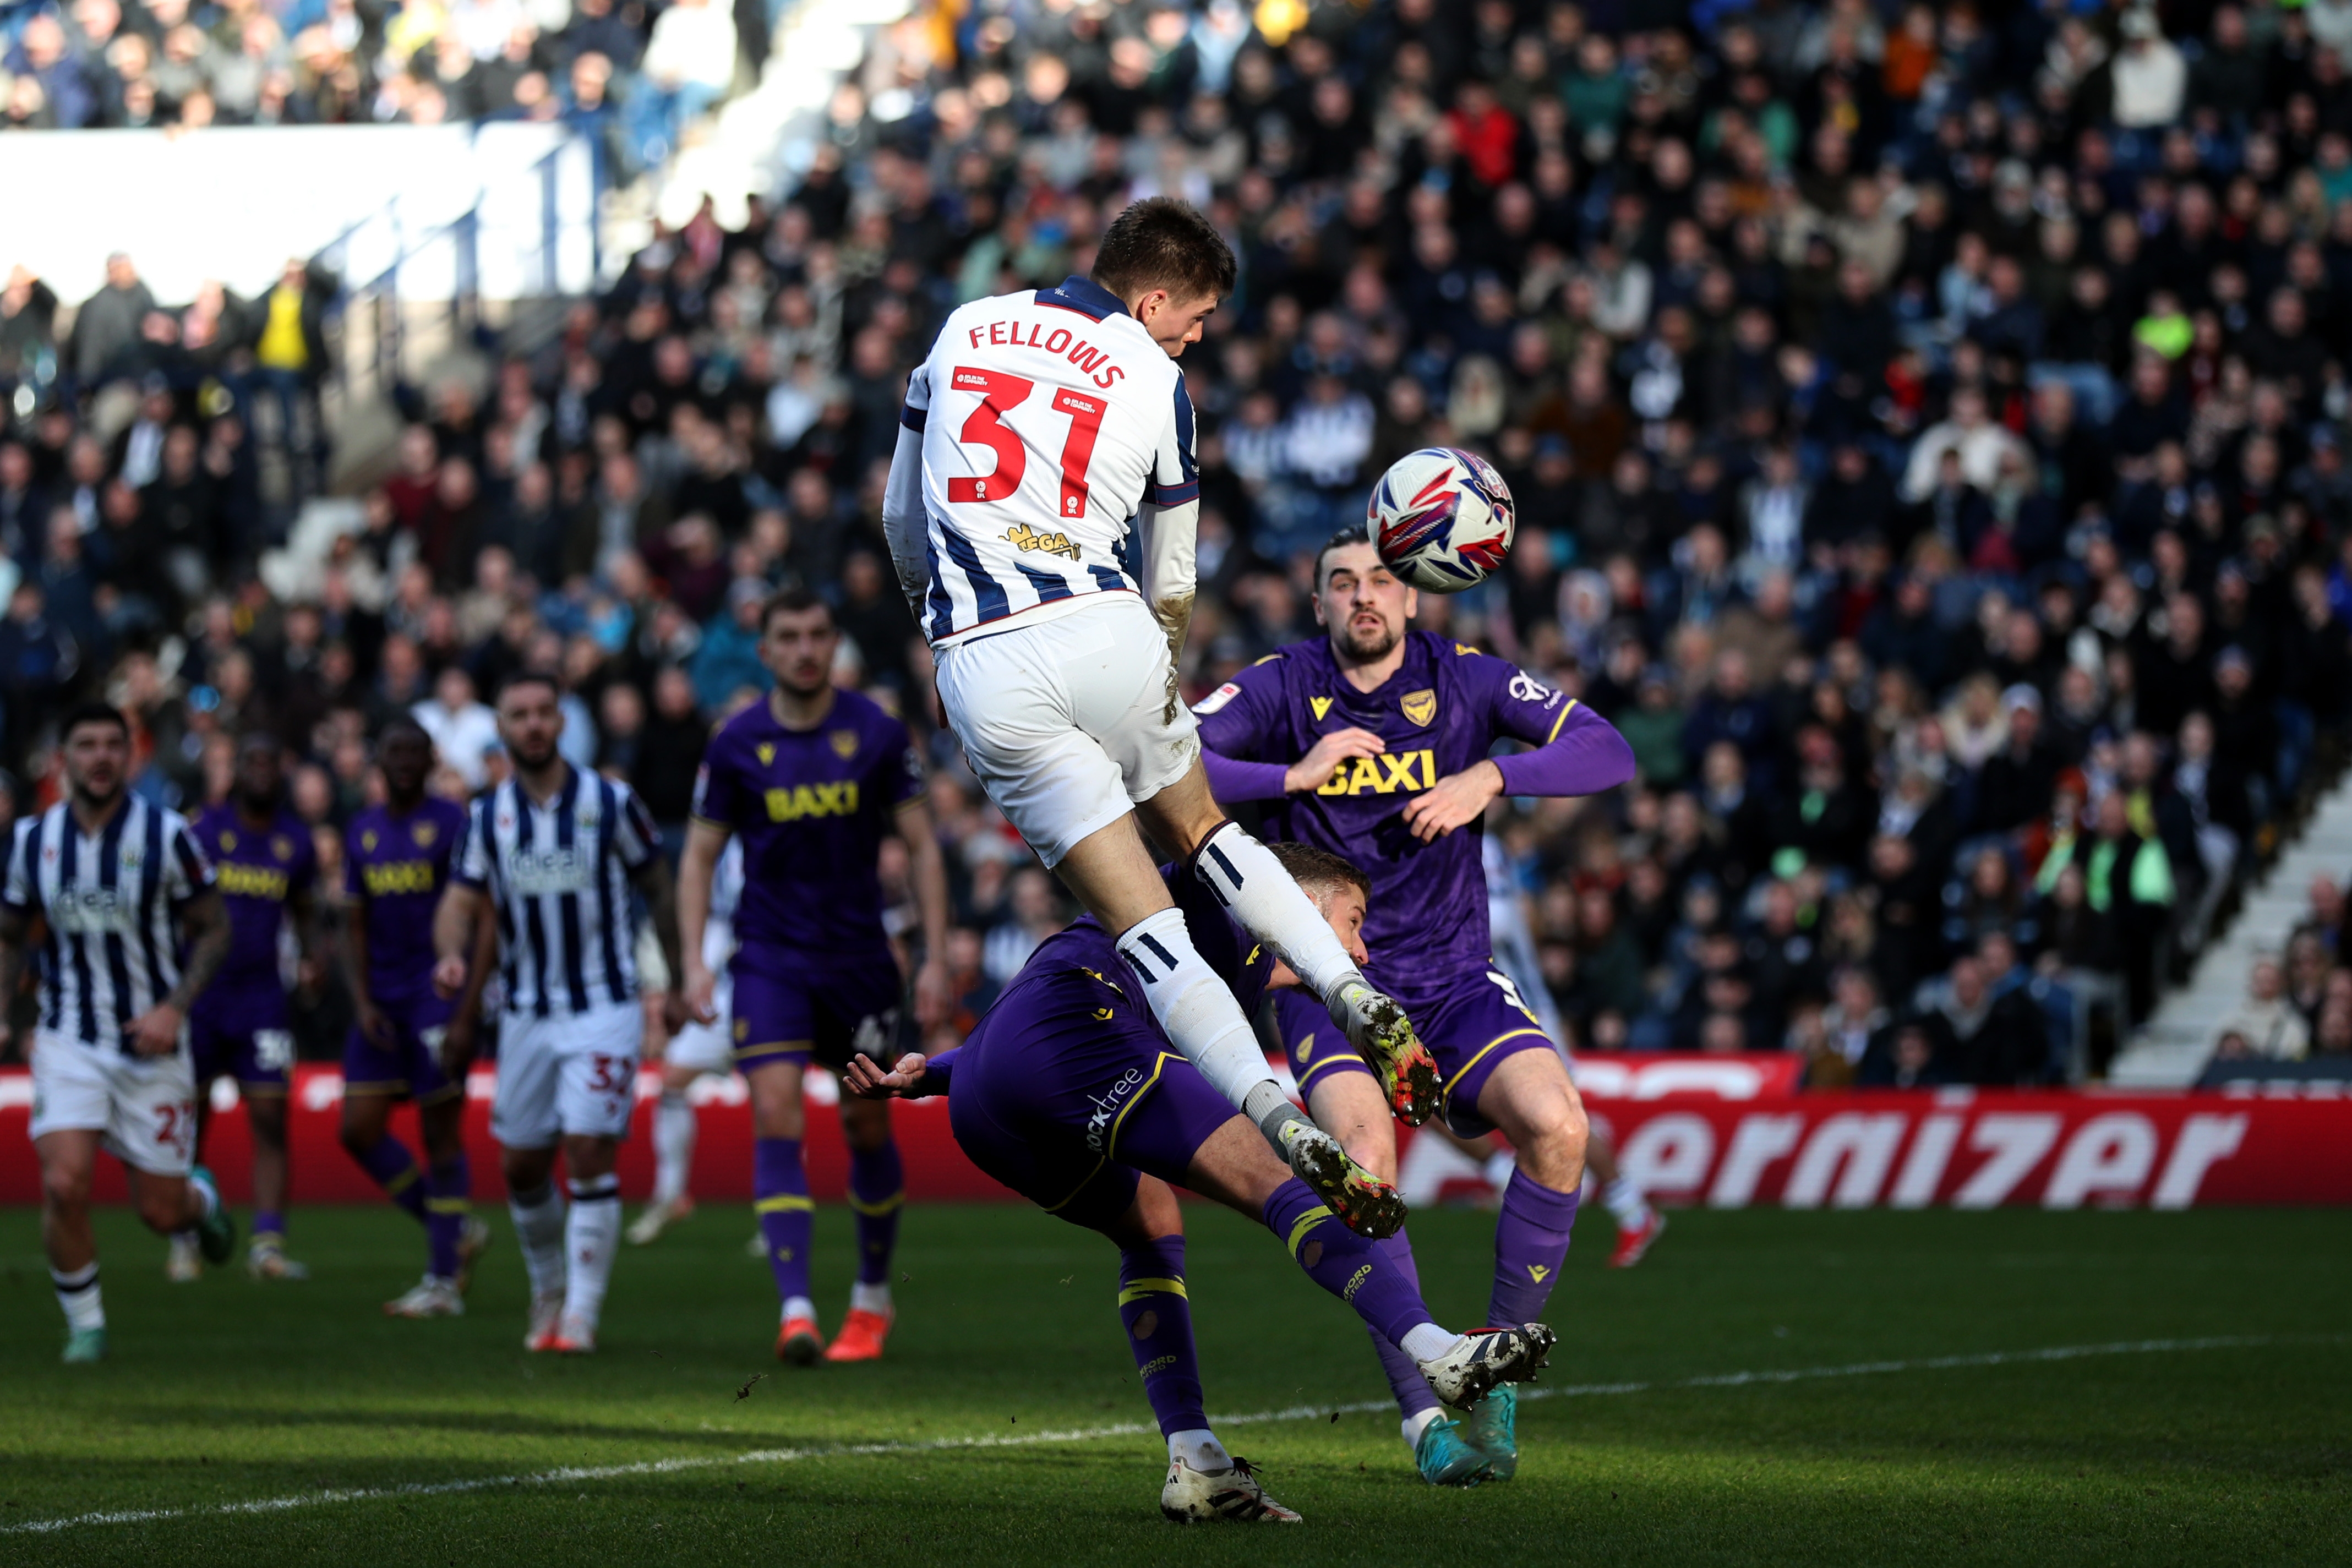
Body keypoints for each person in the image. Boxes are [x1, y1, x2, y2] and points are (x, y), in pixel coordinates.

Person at [880, 196, 1442, 1230]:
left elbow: (899, 517)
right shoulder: (1156, 377)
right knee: (1205, 833)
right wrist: (1152, 674)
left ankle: (1276, 1116)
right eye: (1196, 315)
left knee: (1147, 931)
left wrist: (940, 620)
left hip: (983, 662)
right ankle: (1351, 993)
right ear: (1150, 298)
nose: (1198, 335)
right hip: (1104, 622)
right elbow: (1172, 577)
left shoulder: (960, 327)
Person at [845, 845, 1555, 1522]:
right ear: (1299, 900)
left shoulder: (1230, 974)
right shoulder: (1220, 889)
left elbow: (1018, 1034)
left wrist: (932, 1073)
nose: (1362, 950)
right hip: (1073, 1028)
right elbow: (1185, 822)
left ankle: (1198, 1460)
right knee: (1283, 1178)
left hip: (984, 1095)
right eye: (1354, 921)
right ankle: (1437, 1348)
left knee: (1153, 1224)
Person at [1194, 527, 1638, 1486]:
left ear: (1417, 595)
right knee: (1368, 1171)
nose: (1363, 596)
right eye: (1341, 582)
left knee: (1559, 1127)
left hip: (1453, 978)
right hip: (1332, 983)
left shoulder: (1468, 678)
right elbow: (1169, 762)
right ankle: (1422, 1417)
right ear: (1317, 604)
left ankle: (1497, 1369)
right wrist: (1289, 775)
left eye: (1381, 582)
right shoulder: (1279, 685)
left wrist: (1491, 774)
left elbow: (1606, 748)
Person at [675, 589, 953, 1363]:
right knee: (775, 1115)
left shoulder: (873, 732)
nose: (804, 648)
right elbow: (698, 854)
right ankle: (796, 1309)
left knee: (865, 1123)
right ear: (764, 651)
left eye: (817, 634)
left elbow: (924, 848)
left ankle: (869, 1298)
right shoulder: (736, 742)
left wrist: (932, 955)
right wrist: (692, 960)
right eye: (789, 636)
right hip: (768, 960)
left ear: (835, 644)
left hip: (859, 963)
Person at [432, 673, 682, 1354]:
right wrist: (450, 954)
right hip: (525, 1012)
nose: (535, 724)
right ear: (503, 729)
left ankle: (581, 1315)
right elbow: (459, 900)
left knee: (588, 1150)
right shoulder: (487, 816)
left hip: (604, 1004)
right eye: (520, 714)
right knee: (520, 1165)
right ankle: (547, 1285)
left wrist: (683, 979)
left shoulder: (611, 801)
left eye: (545, 712)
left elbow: (659, 889)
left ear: (561, 722)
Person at [0, 702, 236, 1362]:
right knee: (64, 1184)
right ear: (63, 758)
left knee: (160, 1212)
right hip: (68, 1037)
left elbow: (216, 927)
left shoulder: (168, 835)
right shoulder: (31, 840)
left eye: (113, 744)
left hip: (152, 1044)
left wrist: (174, 1007)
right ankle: (87, 1324)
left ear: (130, 755)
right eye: (86, 744)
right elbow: (10, 936)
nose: (101, 756)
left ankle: (200, 1199)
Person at [339, 716, 493, 1319]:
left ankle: (442, 1281)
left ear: (432, 760)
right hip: (382, 999)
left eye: (414, 752)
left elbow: (483, 917)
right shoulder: (364, 830)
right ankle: (453, 1229)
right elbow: (352, 923)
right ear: (378, 761)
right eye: (393, 751)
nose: (404, 761)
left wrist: (466, 1009)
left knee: (440, 1135)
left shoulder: (454, 823)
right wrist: (362, 1001)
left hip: (437, 996)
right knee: (358, 1129)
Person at [183, 733, 325, 1282]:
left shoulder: (297, 840)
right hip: (202, 994)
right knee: (189, 1120)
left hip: (263, 996)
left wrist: (313, 956)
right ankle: (186, 1234)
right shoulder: (204, 831)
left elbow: (306, 907)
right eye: (253, 761)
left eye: (271, 761)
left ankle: (267, 1243)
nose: (262, 771)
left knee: (270, 1118)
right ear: (236, 771)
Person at [628, 834, 741, 1248]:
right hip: (721, 969)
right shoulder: (718, 840)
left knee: (776, 1098)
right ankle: (670, 1193)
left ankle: (784, 1202)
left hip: (762, 967)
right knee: (672, 1081)